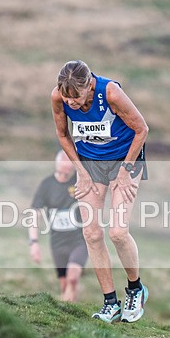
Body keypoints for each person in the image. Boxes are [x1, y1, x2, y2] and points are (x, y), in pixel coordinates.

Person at [50, 60, 149, 324]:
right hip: (90, 163)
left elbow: (142, 129)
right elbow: (63, 135)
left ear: (89, 86)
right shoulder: (58, 97)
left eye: (76, 98)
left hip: (124, 160)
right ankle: (110, 303)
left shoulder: (111, 93)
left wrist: (126, 170)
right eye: (66, 98)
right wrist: (81, 171)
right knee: (91, 233)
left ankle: (136, 289)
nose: (71, 103)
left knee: (118, 232)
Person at [28, 150, 89, 302]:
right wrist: (34, 243)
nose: (64, 175)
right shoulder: (47, 185)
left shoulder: (80, 180)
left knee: (73, 278)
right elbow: (35, 213)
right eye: (62, 171)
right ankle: (69, 311)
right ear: (57, 166)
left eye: (68, 171)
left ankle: (70, 308)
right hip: (57, 242)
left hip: (79, 240)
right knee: (64, 285)